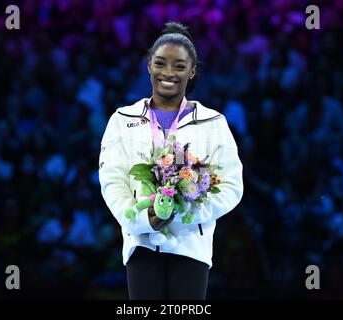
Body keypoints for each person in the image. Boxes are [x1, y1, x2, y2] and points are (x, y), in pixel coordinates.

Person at [99, 22, 244, 300]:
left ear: (192, 71)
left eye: (179, 66)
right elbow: (112, 182)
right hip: (141, 241)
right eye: (160, 63)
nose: (168, 73)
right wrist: (142, 219)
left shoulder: (213, 123)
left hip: (192, 245)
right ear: (149, 66)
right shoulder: (122, 120)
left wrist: (189, 212)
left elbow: (231, 186)